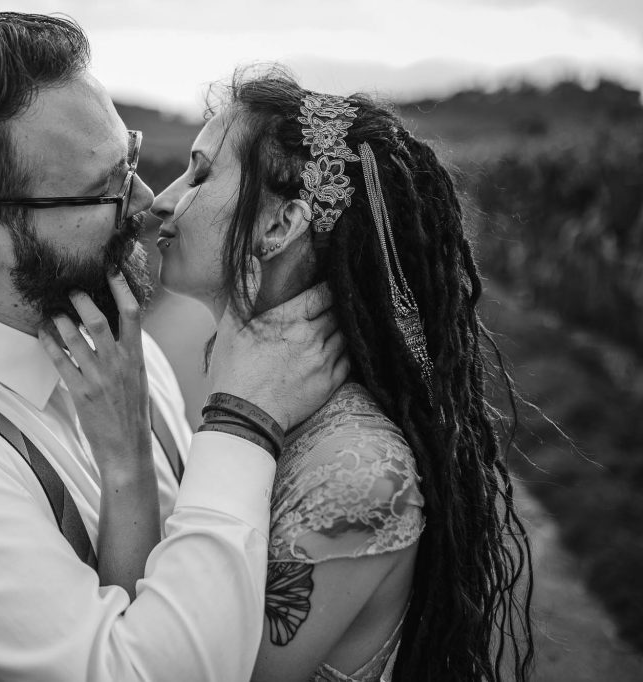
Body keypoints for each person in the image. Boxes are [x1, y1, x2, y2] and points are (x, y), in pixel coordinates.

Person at [0, 14, 349, 682]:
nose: (147, 201)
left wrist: (129, 465)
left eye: (129, 159)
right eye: (104, 189)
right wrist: (241, 424)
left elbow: (169, 594)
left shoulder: (113, 340)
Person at [76, 67, 534, 681]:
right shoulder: (274, 396)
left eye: (201, 175)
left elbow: (166, 666)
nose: (162, 199)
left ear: (279, 225)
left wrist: (136, 454)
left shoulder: (360, 475)